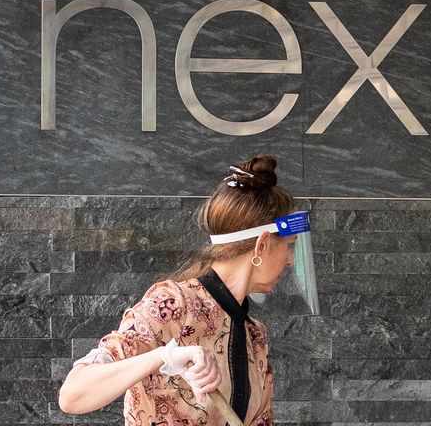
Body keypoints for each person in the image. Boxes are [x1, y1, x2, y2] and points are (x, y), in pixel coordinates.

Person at [58, 155, 296, 426]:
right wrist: (163, 356)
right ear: (262, 245)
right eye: (289, 245)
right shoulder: (171, 304)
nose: (289, 260)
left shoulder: (255, 336)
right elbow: (72, 395)